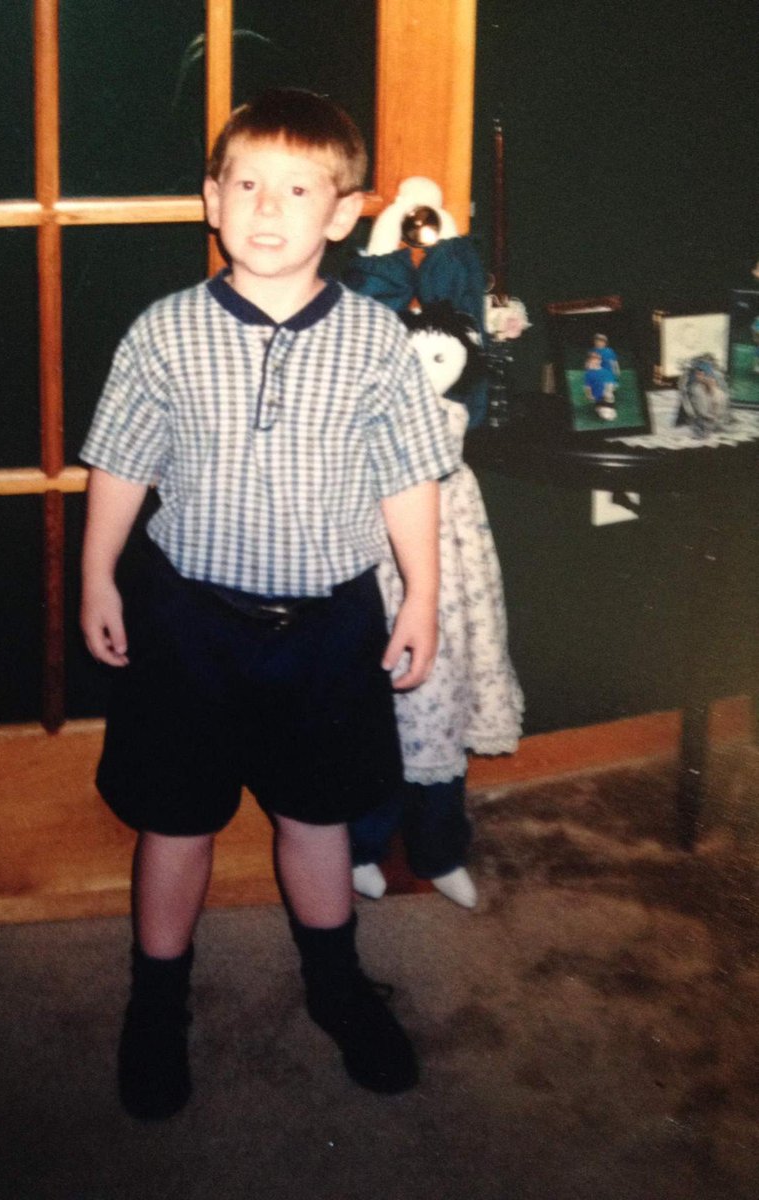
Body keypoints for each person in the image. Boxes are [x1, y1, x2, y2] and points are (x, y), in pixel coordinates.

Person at [79, 88, 459, 1119]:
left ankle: (335, 989)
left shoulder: (377, 344)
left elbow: (407, 479)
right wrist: (96, 574)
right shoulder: (163, 332)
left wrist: (419, 594)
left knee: (317, 816)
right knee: (174, 821)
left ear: (340, 213)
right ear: (211, 199)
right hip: (187, 625)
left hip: (326, 628)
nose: (265, 208)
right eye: (244, 184)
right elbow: (118, 462)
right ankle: (156, 1005)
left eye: (296, 189)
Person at [347, 304, 523, 910]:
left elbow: (469, 540)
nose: (425, 372)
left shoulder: (452, 429)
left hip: (445, 597)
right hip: (379, 584)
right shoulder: (368, 423)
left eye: (441, 359)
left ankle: (440, 851)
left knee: (438, 723)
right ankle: (360, 848)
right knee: (371, 728)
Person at [583, 349, 617, 419]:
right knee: (604, 416)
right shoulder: (588, 374)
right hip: (597, 398)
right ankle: (601, 408)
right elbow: (587, 387)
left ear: (600, 361)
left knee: (609, 417)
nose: (594, 362)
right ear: (589, 362)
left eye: (596, 360)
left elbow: (611, 385)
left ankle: (608, 407)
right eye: (592, 360)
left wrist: (607, 394)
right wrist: (589, 395)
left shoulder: (606, 372)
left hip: (607, 397)